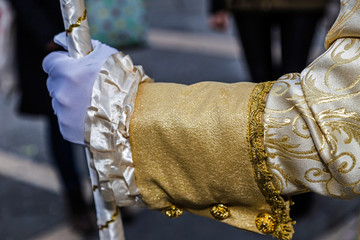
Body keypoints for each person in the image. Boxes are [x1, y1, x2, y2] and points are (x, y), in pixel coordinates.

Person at [43, 0, 360, 239]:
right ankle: (290, 188)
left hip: (300, 3)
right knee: (262, 76)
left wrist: (129, 114)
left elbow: (343, 110)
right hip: (251, 5)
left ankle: (296, 191)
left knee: (293, 71)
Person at [8, 0, 96, 236]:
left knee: (95, 122)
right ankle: (76, 200)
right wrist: (47, 36)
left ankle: (103, 197)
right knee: (61, 127)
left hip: (82, 37)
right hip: (49, 45)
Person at [209, 0, 329, 83]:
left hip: (303, 6)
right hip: (249, 6)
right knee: (260, 77)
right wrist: (218, 5)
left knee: (293, 76)